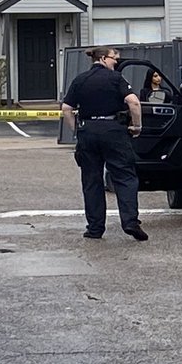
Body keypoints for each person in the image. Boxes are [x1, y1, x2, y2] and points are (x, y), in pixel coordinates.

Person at [61, 47, 149, 242]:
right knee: (124, 177)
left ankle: (94, 228)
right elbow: (134, 103)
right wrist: (137, 127)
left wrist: (76, 131)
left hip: (87, 132)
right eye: (114, 59)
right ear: (103, 58)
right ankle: (130, 222)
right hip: (113, 131)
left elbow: (67, 108)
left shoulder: (80, 80)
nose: (116, 63)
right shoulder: (116, 79)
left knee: (92, 181)